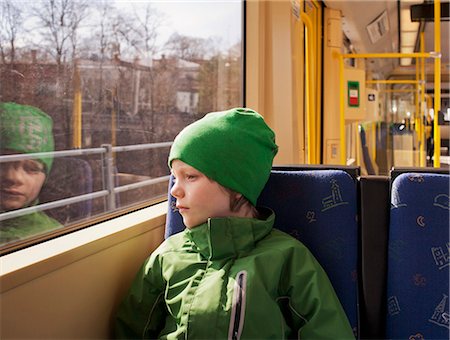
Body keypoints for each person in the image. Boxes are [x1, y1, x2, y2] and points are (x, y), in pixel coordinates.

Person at [115, 108, 354, 339]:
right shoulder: (168, 256)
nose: (175, 190)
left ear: (236, 188)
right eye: (174, 177)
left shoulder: (288, 259)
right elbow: (132, 330)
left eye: (190, 177)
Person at [0, 102, 61, 244]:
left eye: (32, 168)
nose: (13, 177)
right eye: (2, 163)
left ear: (45, 177)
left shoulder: (53, 238)